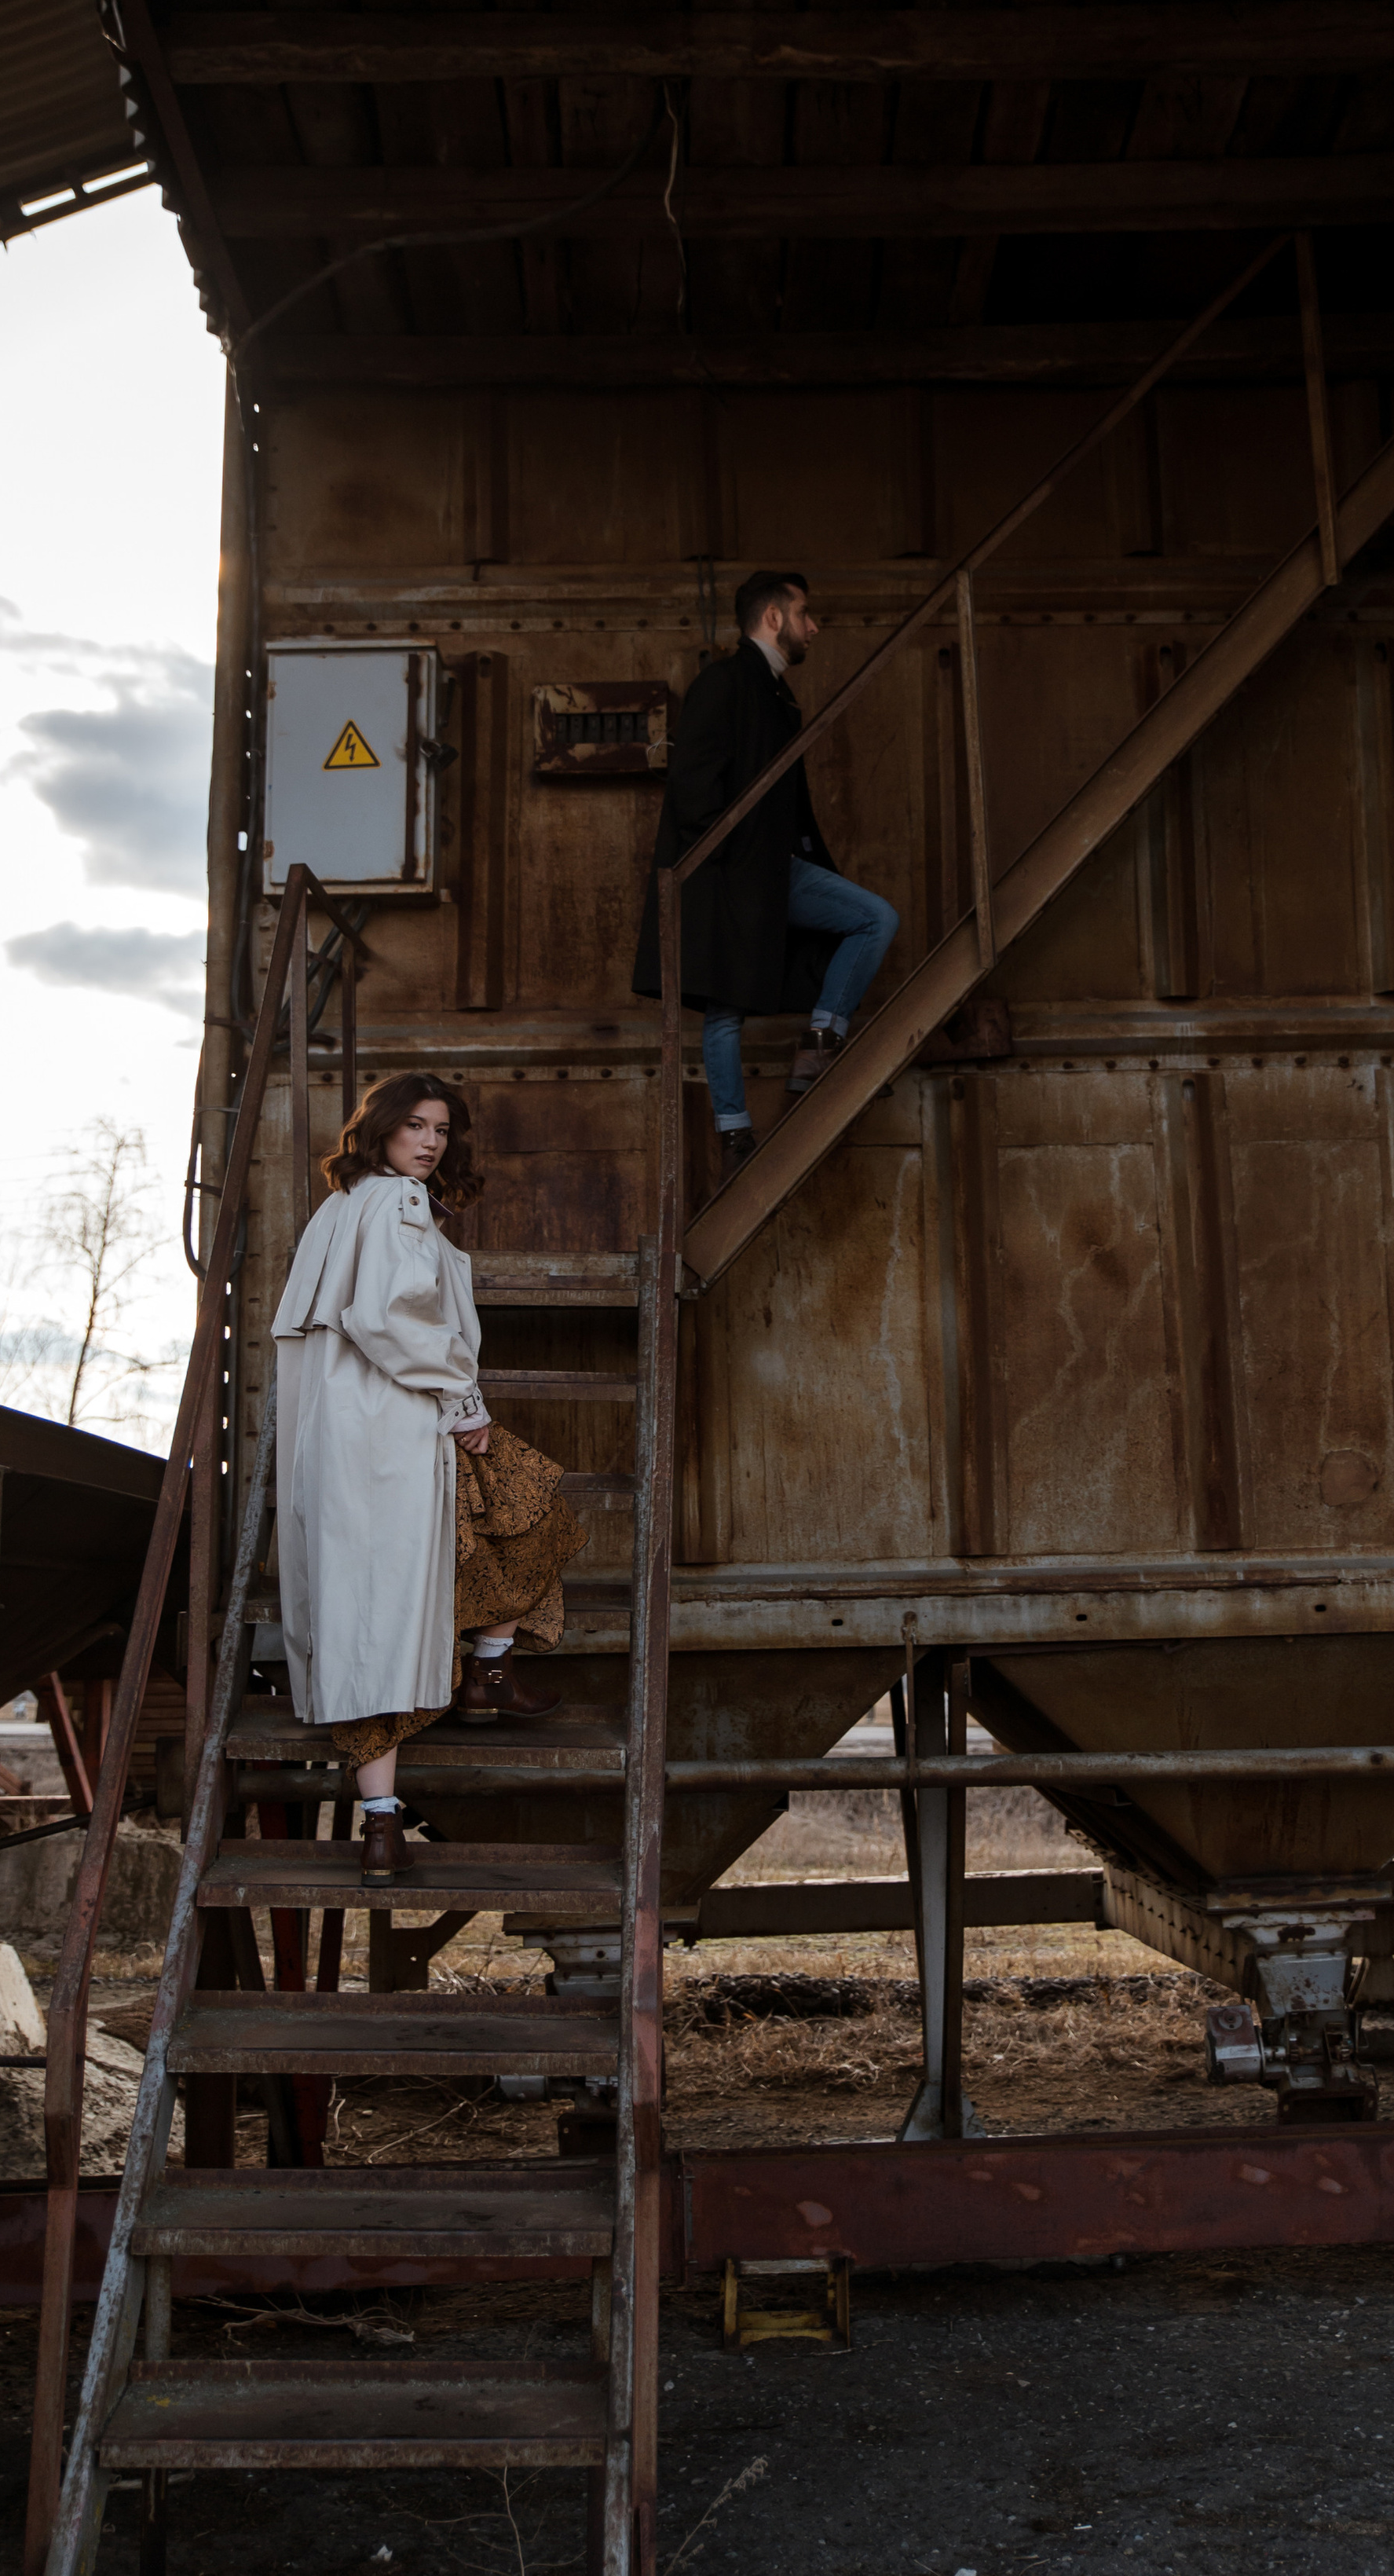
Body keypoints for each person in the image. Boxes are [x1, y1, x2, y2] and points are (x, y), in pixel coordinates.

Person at [271, 1071, 585, 1883]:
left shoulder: (340, 1207)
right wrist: (462, 1396)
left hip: (337, 1440)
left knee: (361, 1620)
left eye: (441, 1128)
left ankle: (384, 1823)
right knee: (535, 1507)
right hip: (400, 1425)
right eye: (415, 1124)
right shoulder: (399, 1201)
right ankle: (488, 1665)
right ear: (379, 1127)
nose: (431, 1142)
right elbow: (391, 1316)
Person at [632, 570, 899, 1167]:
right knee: (725, 1003)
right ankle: (735, 1135)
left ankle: (821, 1041)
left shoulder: (780, 697)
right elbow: (693, 788)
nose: (814, 627)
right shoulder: (723, 682)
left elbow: (791, 801)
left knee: (874, 918)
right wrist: (728, 864)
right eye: (804, 613)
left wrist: (791, 859)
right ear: (774, 618)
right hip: (727, 871)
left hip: (774, 870)